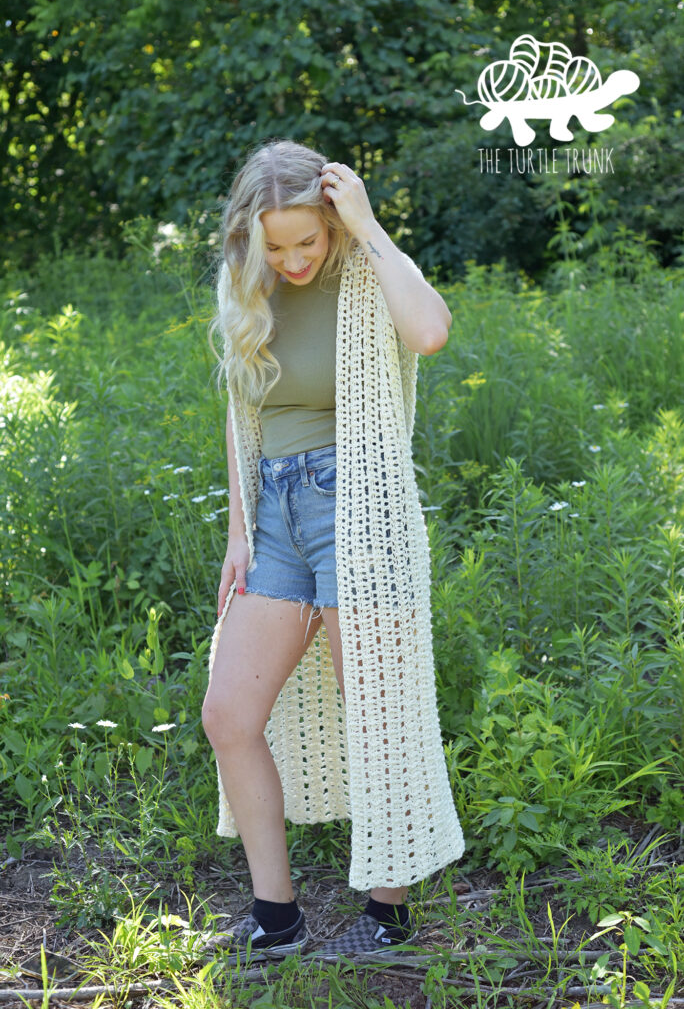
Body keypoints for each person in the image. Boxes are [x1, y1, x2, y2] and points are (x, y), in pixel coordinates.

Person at [202, 138, 465, 963]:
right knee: (229, 715)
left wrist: (369, 226)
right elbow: (243, 421)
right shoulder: (250, 285)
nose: (293, 259)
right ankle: (276, 920)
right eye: (274, 246)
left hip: (358, 508)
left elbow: (430, 332)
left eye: (306, 240)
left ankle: (388, 918)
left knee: (376, 710)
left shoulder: (364, 268)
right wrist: (239, 535)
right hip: (275, 515)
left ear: (330, 221)